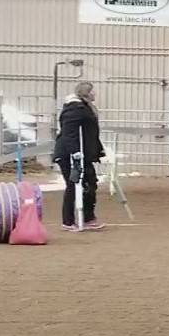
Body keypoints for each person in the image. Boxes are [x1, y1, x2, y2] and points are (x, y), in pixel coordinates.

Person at [53, 81, 106, 231]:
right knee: (73, 185)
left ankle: (88, 218)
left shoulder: (84, 107)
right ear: (86, 93)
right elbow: (69, 133)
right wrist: (75, 151)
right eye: (92, 91)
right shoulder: (75, 109)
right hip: (70, 154)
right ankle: (68, 221)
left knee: (90, 183)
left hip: (85, 154)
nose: (95, 94)